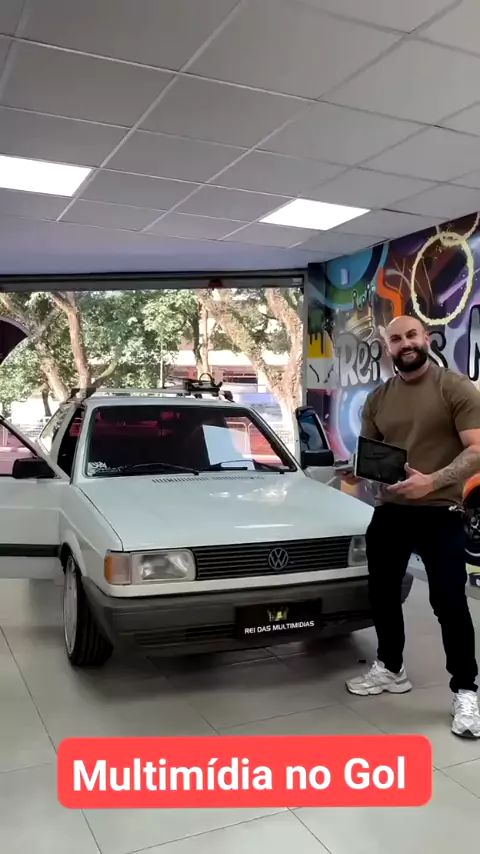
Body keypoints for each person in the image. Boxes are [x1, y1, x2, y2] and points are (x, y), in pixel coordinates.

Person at [343, 315, 480, 739]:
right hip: (392, 511)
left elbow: (477, 449)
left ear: (426, 339)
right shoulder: (378, 398)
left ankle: (466, 690)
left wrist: (432, 481)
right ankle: (391, 668)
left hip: (441, 510)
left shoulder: (454, 388)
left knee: (448, 602)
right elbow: (372, 455)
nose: (405, 343)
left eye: (411, 335)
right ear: (388, 347)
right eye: (395, 338)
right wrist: (356, 470)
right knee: (382, 593)